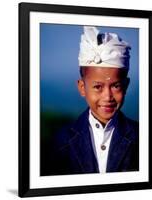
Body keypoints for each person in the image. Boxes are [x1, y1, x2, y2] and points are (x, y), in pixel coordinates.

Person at [49, 26, 139, 175]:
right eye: (97, 87)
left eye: (116, 86)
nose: (107, 97)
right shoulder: (61, 140)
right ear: (82, 88)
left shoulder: (145, 137)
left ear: (126, 85)